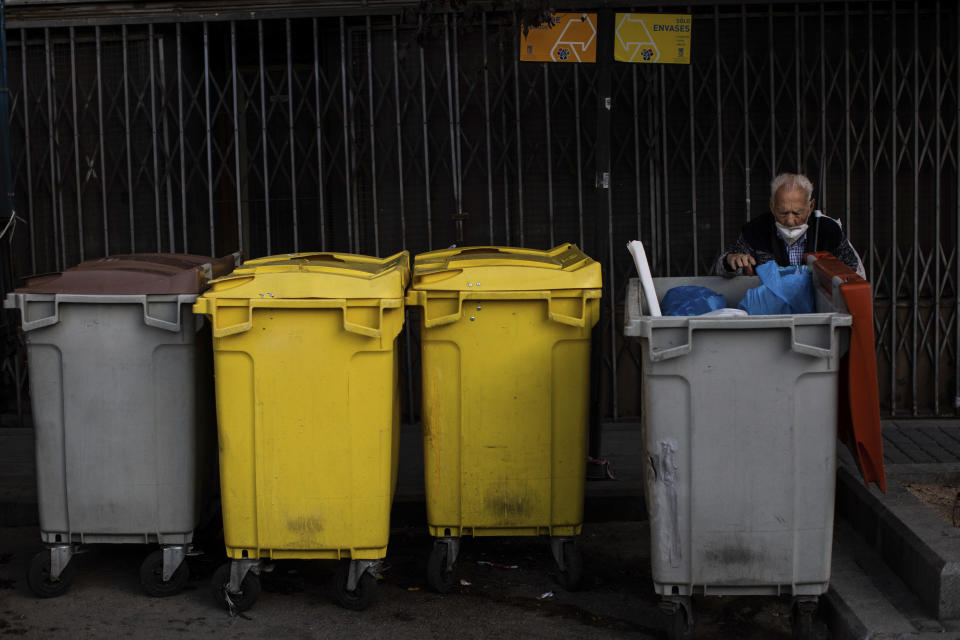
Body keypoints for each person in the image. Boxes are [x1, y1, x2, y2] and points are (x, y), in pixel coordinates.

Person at [715, 172, 865, 278]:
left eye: (797, 213)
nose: (790, 221)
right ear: (772, 205)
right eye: (783, 212)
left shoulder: (828, 231)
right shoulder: (755, 230)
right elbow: (722, 269)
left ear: (810, 206)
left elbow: (851, 270)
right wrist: (730, 261)